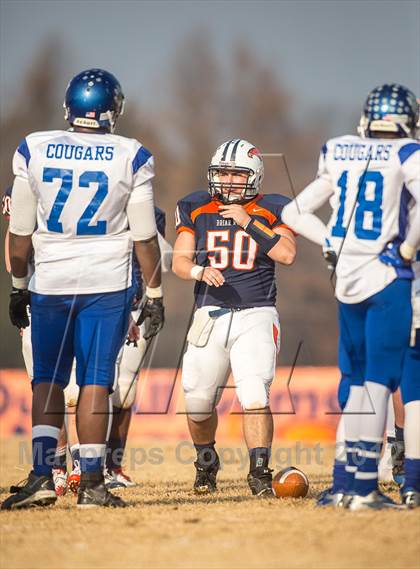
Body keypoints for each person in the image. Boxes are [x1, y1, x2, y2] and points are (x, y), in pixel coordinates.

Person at [2, 68, 164, 510]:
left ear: (69, 107)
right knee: (95, 382)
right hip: (106, 283)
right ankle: (92, 484)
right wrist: (154, 294)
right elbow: (144, 236)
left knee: (47, 382)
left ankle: (42, 477)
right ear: (113, 110)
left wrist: (18, 286)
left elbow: (19, 232)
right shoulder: (130, 154)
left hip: (49, 280)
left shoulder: (33, 147)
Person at [282, 84, 419, 510]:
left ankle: (344, 484)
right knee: (382, 384)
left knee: (358, 381)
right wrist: (409, 247)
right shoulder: (406, 153)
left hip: (347, 279)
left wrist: (330, 243)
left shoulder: (340, 150)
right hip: (388, 276)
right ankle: (363, 488)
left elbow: (292, 212)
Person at [172, 139, 296, 496]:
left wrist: (248, 223)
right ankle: (206, 462)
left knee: (254, 392)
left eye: (235, 174)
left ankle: (259, 473)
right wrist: (198, 272)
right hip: (209, 313)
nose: (227, 180)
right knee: (196, 402)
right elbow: (179, 261)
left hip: (256, 312)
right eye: (222, 173)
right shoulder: (196, 206)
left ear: (253, 176)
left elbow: (286, 254)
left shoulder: (273, 208)